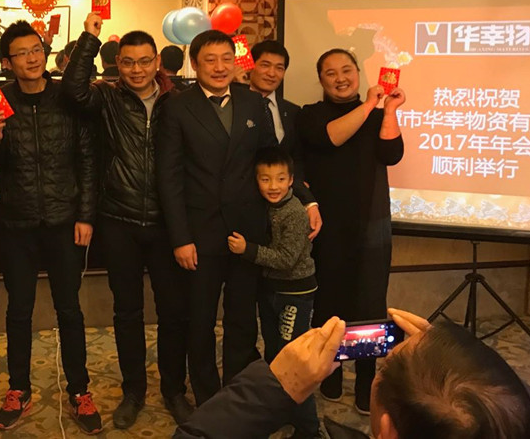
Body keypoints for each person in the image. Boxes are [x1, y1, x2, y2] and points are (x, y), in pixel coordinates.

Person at [63, 13, 192, 429]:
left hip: (168, 223)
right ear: (117, 63)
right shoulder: (107, 98)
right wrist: (89, 38)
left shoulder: (178, 101)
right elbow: (72, 90)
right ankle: (133, 390)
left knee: (173, 311)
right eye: (128, 62)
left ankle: (174, 389)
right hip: (119, 219)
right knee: (127, 312)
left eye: (144, 61)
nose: (137, 69)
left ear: (158, 62)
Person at [0, 20, 102, 434]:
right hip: (17, 223)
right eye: (22, 53)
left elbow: (87, 160)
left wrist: (86, 215)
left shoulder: (67, 98)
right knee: (19, 310)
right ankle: (18, 389)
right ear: (6, 62)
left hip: (65, 221)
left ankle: (80, 391)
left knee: (70, 309)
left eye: (36, 49)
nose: (32, 58)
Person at [174, 309, 530, 439]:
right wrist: (466, 368)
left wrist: (272, 389)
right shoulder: (513, 422)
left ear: (387, 430)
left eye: (385, 368)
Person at [156, 29, 277, 407]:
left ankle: (239, 393)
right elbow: (169, 177)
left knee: (242, 318)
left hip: (246, 232)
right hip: (199, 234)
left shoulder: (252, 102)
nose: (220, 67)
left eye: (227, 58)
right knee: (200, 320)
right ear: (195, 64)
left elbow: (270, 160)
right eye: (210, 60)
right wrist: (180, 238)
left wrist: (303, 201)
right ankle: (208, 396)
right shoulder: (178, 107)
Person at [295, 48, 405, 413]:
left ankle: (365, 381)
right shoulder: (310, 115)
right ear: (321, 79)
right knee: (329, 302)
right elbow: (332, 138)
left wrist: (388, 110)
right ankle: (331, 373)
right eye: (331, 73)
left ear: (357, 72)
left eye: (347, 70)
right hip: (328, 225)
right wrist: (370, 104)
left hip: (371, 222)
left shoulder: (376, 114)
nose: (340, 78)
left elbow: (391, 154)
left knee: (369, 305)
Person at [227, 147, 319, 438]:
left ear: (291, 180)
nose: (273, 186)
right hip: (271, 290)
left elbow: (286, 259)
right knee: (274, 354)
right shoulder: (264, 206)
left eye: (280, 179)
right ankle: (281, 412)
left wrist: (248, 250)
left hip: (295, 293)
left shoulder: (294, 212)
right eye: (265, 179)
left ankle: (309, 428)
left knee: (293, 361)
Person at [249, 39, 322, 239]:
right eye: (265, 65)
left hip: (285, 209)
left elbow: (295, 158)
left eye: (279, 68)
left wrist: (307, 199)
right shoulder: (236, 106)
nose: (272, 73)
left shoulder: (292, 111)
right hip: (247, 206)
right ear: (251, 66)